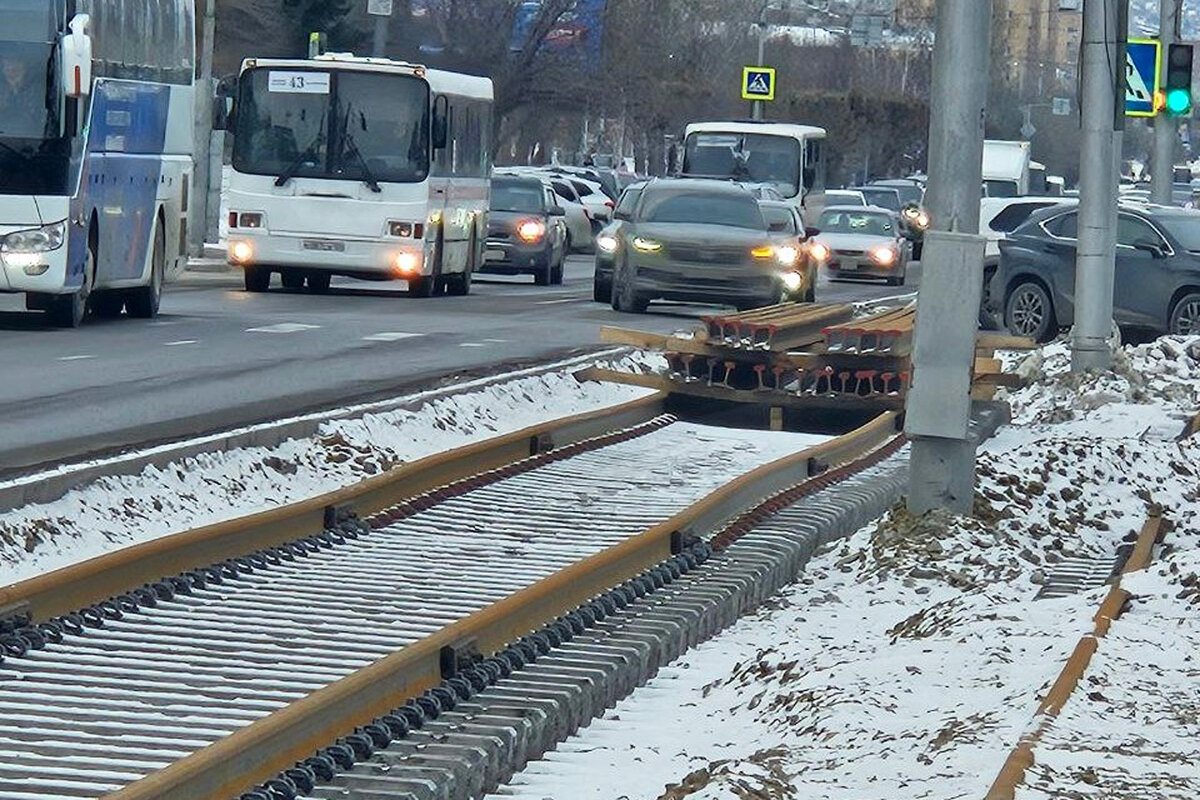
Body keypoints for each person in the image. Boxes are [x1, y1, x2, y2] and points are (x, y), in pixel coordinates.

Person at [0, 53, 44, 137]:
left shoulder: (37, 91)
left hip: (30, 139)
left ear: (24, 68)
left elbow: (38, 119)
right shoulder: (2, 89)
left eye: (14, 68)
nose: (9, 70)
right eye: (6, 67)